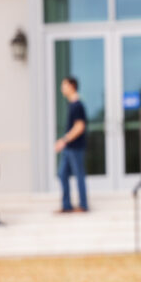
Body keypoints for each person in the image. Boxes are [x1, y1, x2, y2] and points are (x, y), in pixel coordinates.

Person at [55, 76, 88, 213]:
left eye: (64, 85)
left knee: (78, 175)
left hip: (75, 147)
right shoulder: (71, 104)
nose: (62, 88)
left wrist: (64, 140)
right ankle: (66, 205)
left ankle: (83, 205)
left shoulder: (77, 105)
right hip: (69, 148)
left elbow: (80, 127)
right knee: (62, 174)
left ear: (71, 86)